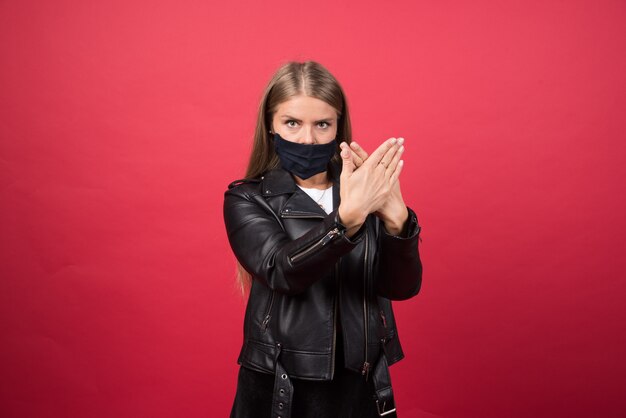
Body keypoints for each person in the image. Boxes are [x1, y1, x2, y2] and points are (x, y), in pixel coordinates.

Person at [223, 61, 423, 418]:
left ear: (337, 127)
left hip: (359, 383)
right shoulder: (248, 199)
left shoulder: (363, 191)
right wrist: (347, 219)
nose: (308, 139)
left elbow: (401, 287)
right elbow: (281, 270)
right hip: (279, 386)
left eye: (322, 124)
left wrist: (398, 222)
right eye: (292, 123)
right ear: (271, 125)